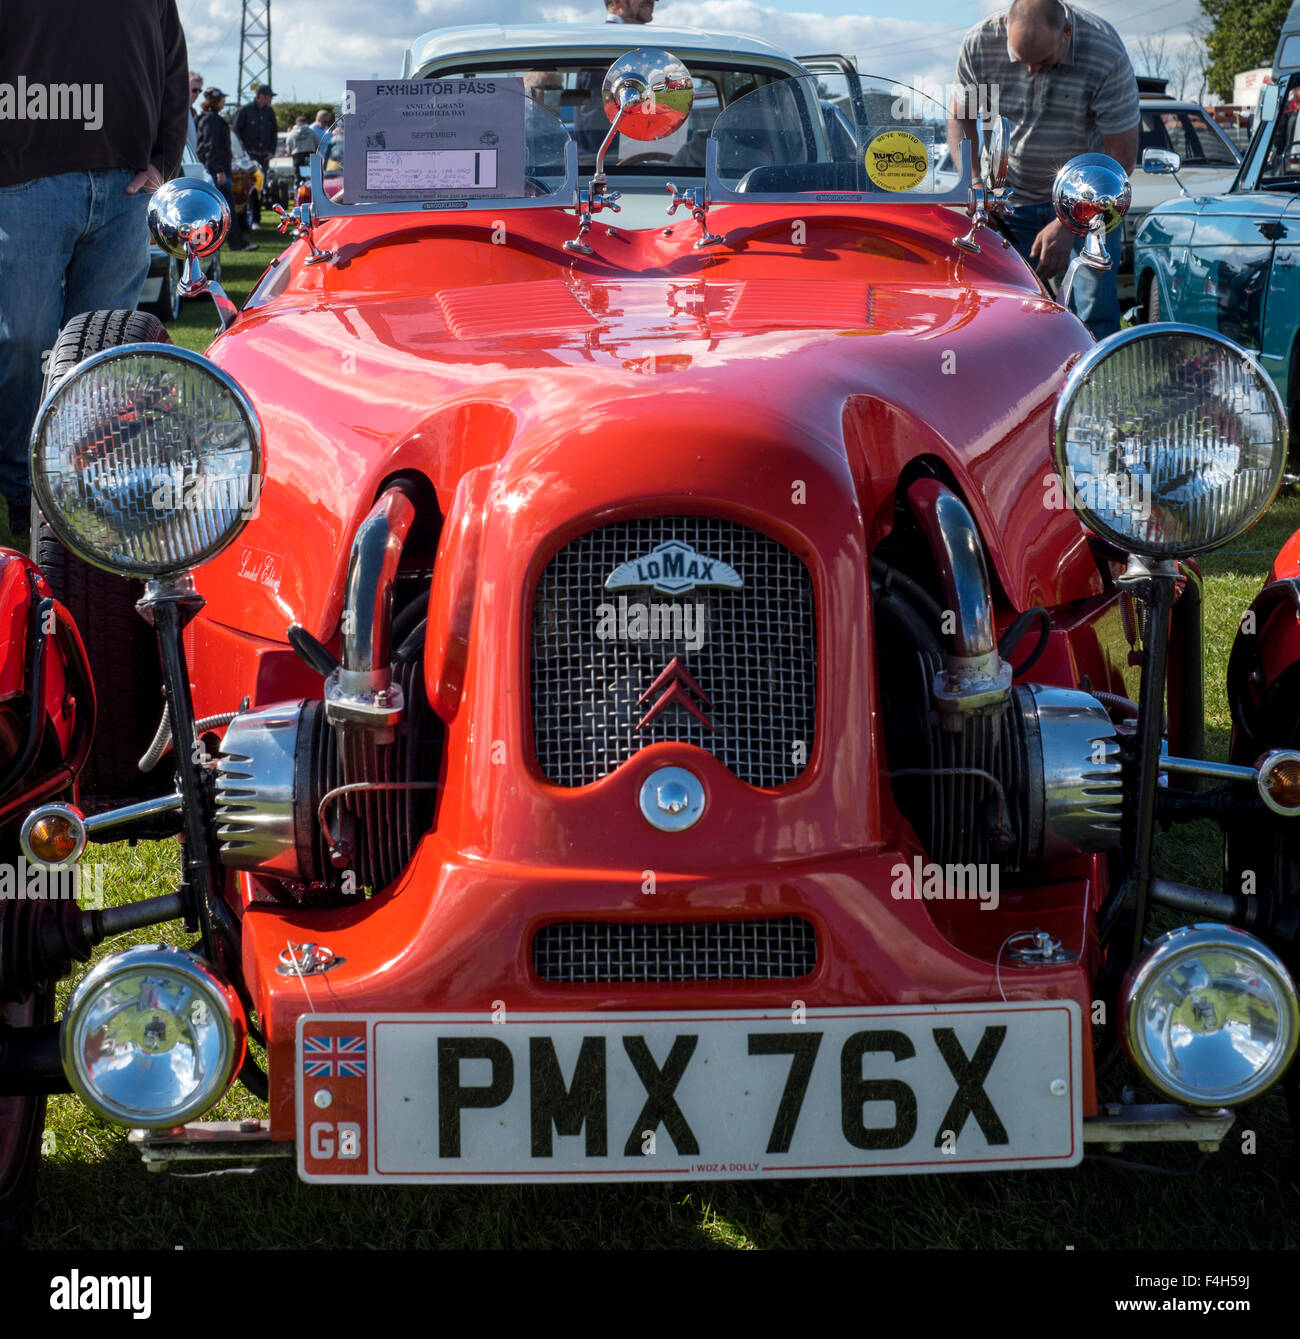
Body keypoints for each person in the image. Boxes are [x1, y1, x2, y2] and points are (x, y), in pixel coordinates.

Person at [0, 0, 189, 535]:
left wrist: (165, 160)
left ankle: (81, 485)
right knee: (23, 339)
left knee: (102, 355)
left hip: (126, 186)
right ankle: (23, 485)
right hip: (25, 183)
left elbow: (173, 66)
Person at [947, 0, 1138, 339]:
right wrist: (975, 183)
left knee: (1093, 313)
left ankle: (1093, 384)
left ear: (1067, 32)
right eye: (1022, 62)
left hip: (1086, 200)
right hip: (1007, 201)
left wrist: (1070, 223)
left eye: (1045, 62)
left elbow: (1121, 156)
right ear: (1006, 25)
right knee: (1003, 311)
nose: (1031, 71)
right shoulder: (980, 44)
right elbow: (961, 120)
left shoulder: (1104, 51)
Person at [575, 0, 656, 153]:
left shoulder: (625, 44)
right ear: (616, 2)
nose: (652, 1)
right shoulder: (607, 45)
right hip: (612, 167)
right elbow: (597, 131)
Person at [196, 88, 257, 253]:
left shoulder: (209, 119)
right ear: (216, 101)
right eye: (222, 99)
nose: (224, 102)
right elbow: (212, 146)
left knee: (222, 210)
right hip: (216, 172)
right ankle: (237, 243)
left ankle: (234, 242)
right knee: (225, 209)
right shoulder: (212, 120)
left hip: (215, 170)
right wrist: (219, 170)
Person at [234, 84, 277, 175]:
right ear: (262, 96)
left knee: (263, 182)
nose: (271, 99)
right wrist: (243, 151)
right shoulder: (245, 110)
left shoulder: (270, 112)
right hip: (249, 156)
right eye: (270, 97)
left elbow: (274, 133)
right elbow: (236, 132)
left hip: (264, 157)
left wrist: (271, 151)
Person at [187, 71, 203, 153]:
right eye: (194, 90)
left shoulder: (193, 112)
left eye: (199, 91)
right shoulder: (173, 110)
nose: (197, 94)